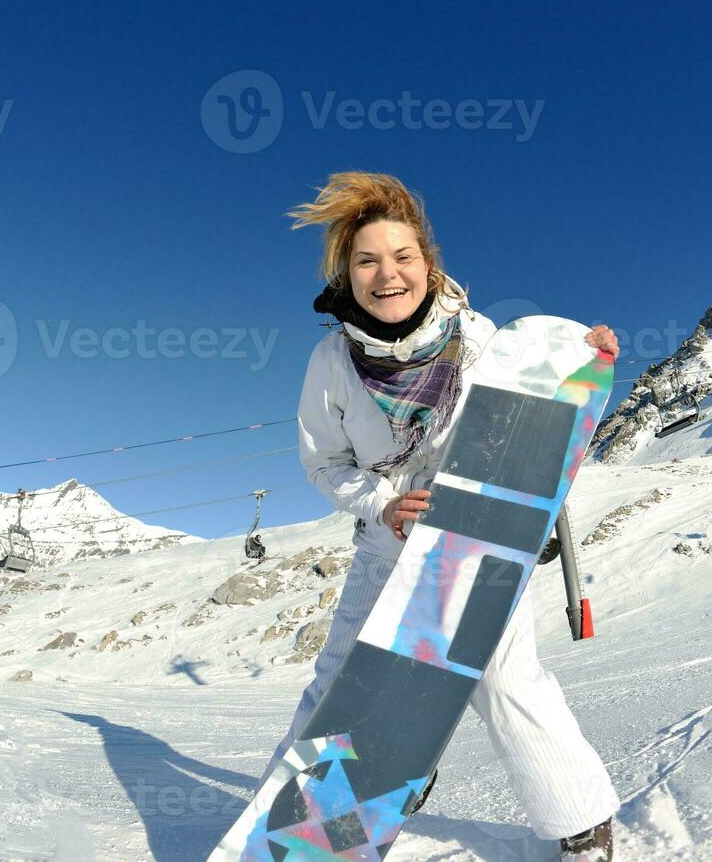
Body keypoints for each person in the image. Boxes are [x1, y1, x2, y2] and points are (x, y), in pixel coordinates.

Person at [264, 171, 621, 859]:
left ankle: (582, 826)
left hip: (477, 543)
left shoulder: (480, 336)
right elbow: (324, 464)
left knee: (506, 682)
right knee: (341, 686)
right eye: (367, 261)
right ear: (347, 275)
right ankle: (314, 830)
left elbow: (537, 407)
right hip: (385, 546)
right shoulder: (332, 361)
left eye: (402, 258)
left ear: (428, 265)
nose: (386, 274)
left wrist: (579, 359)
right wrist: (383, 504)